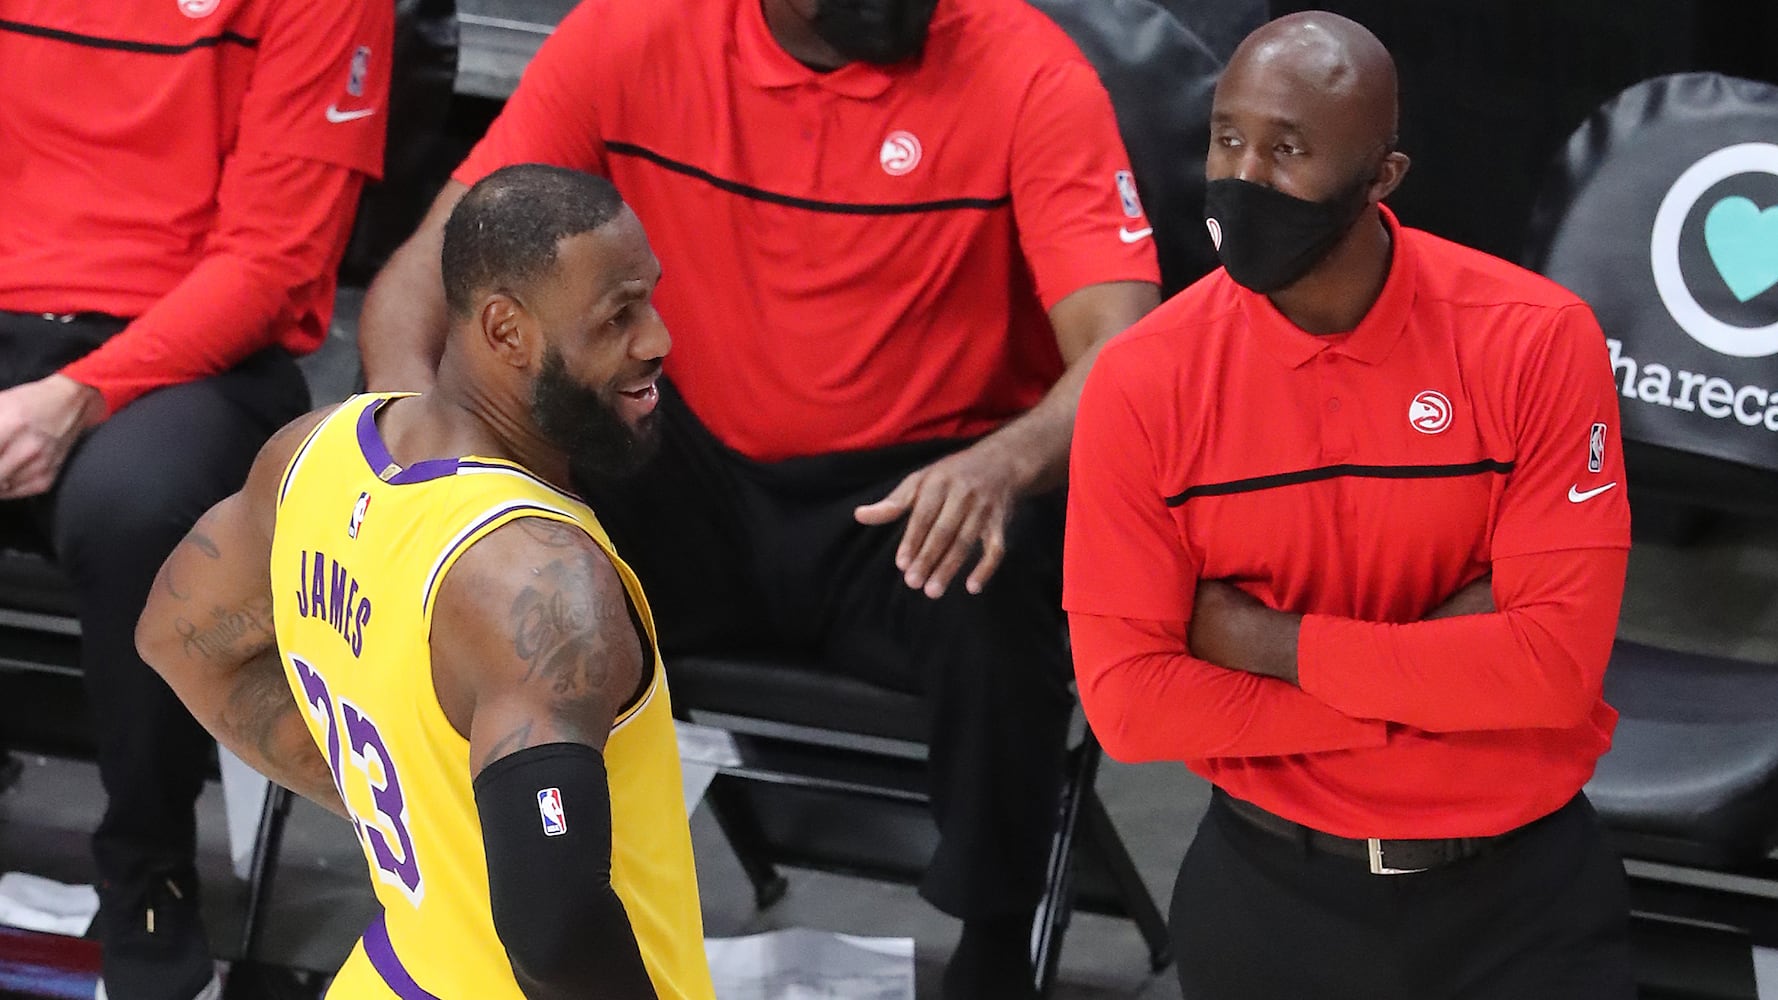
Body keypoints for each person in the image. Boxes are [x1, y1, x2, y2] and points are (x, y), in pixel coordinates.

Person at [359, 0, 1160, 993]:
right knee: (502, 549)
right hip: (695, 469)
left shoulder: (1027, 72)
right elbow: (433, 269)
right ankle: (505, 883)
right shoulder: (632, 37)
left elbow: (1126, 347)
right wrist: (414, 466)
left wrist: (1006, 460)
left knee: (997, 580)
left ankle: (998, 940)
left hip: (921, 486)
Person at [1064, 12, 1634, 1000]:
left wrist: (1264, 642)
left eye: (1287, 150)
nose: (1243, 177)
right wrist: (1429, 689)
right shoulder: (1143, 379)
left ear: (1381, 177)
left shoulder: (1535, 339)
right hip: (1269, 898)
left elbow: (1549, 673)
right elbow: (1130, 707)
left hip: (1521, 905)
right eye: (1227, 139)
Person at [136, 165, 716, 1000]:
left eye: (650, 299)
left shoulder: (312, 457)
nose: (657, 337)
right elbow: (553, 934)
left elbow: (179, 639)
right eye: (617, 316)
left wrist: (401, 811)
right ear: (507, 330)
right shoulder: (540, 582)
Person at [0, 2, 391, 996]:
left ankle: (149, 874)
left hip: (195, 351)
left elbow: (275, 258)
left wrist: (78, 393)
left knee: (138, 511)